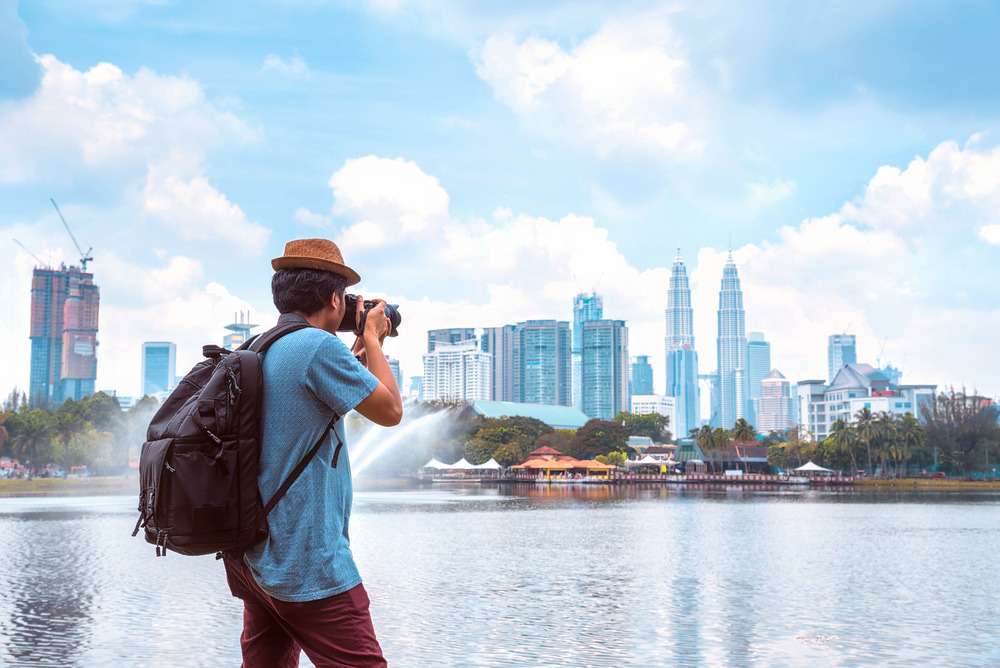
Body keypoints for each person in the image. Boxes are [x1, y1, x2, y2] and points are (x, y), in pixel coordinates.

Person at [223, 238, 402, 667]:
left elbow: (314, 408)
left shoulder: (259, 346)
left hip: (255, 559)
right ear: (335, 298)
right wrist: (374, 338)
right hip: (307, 563)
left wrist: (360, 351)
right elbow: (391, 411)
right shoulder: (317, 348)